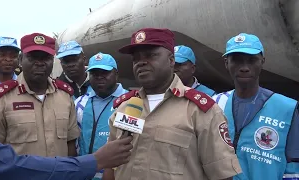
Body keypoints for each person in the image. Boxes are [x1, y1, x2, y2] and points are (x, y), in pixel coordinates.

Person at [103, 28, 241, 180]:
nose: (141, 62)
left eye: (150, 55)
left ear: (171, 60)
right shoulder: (125, 107)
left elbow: (222, 174)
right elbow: (111, 165)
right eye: (136, 58)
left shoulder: (200, 111)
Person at [212, 33, 299, 180]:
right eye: (237, 61)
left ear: (262, 61)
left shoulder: (287, 108)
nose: (244, 67)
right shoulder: (215, 103)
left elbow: (294, 164)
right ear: (226, 63)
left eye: (252, 60)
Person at [0, 33, 80, 158]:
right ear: (21, 60)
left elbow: (70, 144)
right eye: (33, 58)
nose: (40, 63)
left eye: (46, 58)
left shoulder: (65, 97)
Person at [0, 130, 133, 180]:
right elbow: (11, 165)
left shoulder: (65, 97)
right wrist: (93, 162)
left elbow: (71, 144)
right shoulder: (0, 98)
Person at [75, 52, 128, 180]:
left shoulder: (129, 103)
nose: (99, 77)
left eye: (105, 73)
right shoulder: (80, 103)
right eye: (94, 74)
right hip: (84, 174)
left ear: (116, 74)